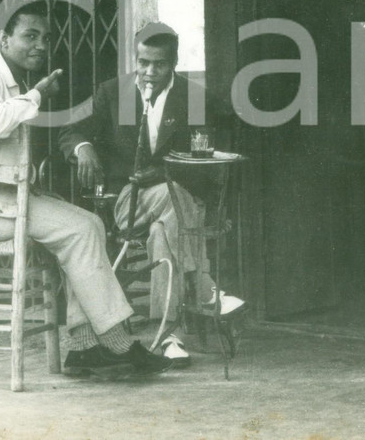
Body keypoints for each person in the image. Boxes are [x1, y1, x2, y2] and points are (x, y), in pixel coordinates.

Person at [0, 2, 170, 377]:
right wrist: (37, 95)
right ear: (4, 39)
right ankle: (112, 342)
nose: (40, 45)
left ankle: (86, 346)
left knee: (81, 223)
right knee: (81, 228)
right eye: (30, 36)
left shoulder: (8, 81)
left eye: (46, 37)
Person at [59, 22, 245, 366]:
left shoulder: (196, 98)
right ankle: (205, 290)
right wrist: (83, 147)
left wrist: (165, 173)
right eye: (142, 63)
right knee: (171, 202)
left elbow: (205, 158)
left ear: (173, 62)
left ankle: (168, 337)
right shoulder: (112, 93)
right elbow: (71, 131)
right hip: (127, 200)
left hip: (180, 202)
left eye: (158, 64)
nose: (148, 72)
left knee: (164, 231)